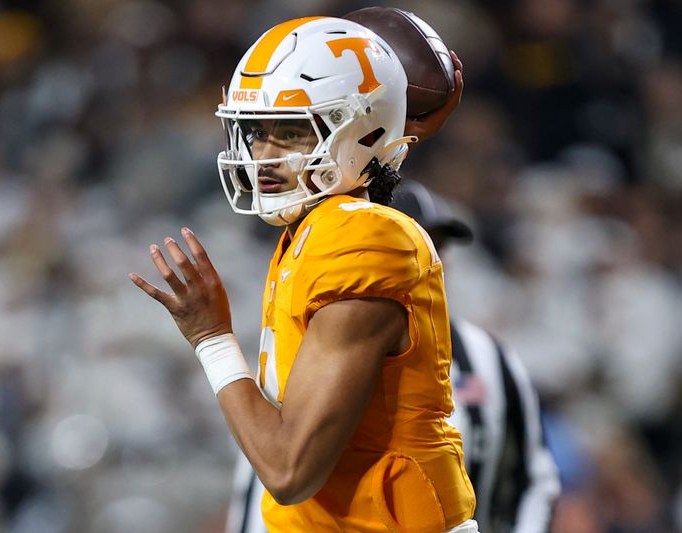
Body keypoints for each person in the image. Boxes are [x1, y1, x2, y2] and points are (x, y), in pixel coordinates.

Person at [130, 16, 477, 533]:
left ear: (363, 130)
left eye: (290, 131)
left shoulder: (364, 238)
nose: (263, 157)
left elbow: (289, 470)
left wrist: (212, 338)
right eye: (255, 131)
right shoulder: (314, 230)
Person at [227, 182, 562, 533]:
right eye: (413, 241)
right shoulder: (305, 352)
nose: (432, 257)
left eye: (437, 244)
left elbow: (534, 477)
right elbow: (268, 470)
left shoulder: (489, 356)